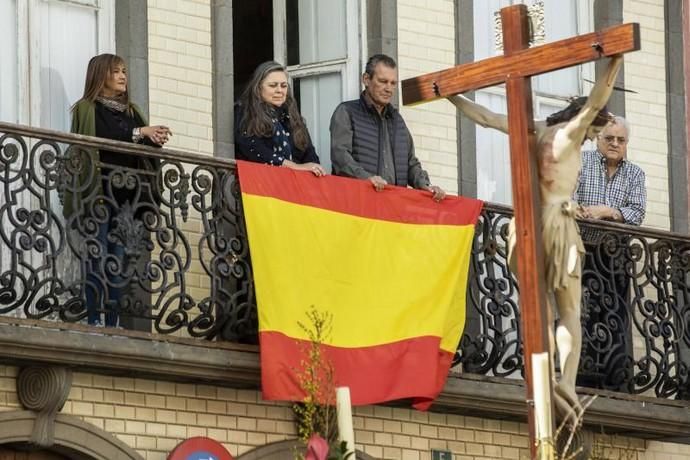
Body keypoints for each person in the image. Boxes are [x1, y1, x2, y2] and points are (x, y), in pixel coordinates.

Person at [447, 55, 623, 423]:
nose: (591, 139)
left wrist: (451, 96)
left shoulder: (534, 129)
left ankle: (542, 374)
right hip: (558, 222)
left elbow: (486, 117)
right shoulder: (570, 132)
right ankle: (568, 383)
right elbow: (597, 98)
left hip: (526, 222)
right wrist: (615, 61)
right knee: (570, 308)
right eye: (594, 133)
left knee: (538, 304)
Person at [69, 53, 172, 327]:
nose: (123, 76)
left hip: (127, 199)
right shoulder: (87, 108)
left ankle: (112, 323)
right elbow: (101, 138)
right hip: (98, 194)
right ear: (100, 75)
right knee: (96, 257)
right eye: (116, 71)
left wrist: (154, 140)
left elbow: (140, 149)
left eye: (124, 70)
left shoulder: (132, 111)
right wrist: (141, 133)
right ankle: (93, 320)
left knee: (118, 263)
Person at [575, 116, 646, 389]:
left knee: (615, 312)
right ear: (598, 139)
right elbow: (567, 195)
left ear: (626, 143)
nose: (615, 144)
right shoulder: (582, 161)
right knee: (583, 309)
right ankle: (583, 368)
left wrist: (607, 211)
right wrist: (580, 210)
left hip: (616, 253)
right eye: (609, 138)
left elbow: (636, 213)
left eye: (620, 140)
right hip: (582, 248)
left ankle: (613, 376)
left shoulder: (636, 174)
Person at [329, 54, 446, 201]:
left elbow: (411, 163)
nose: (389, 89)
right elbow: (340, 158)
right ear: (366, 79)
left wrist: (426, 185)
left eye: (393, 83)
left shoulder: (398, 121)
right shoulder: (346, 112)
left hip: (393, 210)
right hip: (357, 205)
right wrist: (367, 178)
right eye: (383, 81)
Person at [235, 61, 325, 177]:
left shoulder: (294, 119)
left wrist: (313, 168)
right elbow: (252, 148)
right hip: (258, 184)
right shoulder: (245, 111)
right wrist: (295, 167)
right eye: (273, 85)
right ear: (258, 88)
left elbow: (310, 157)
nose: (279, 90)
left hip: (294, 188)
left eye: (284, 86)